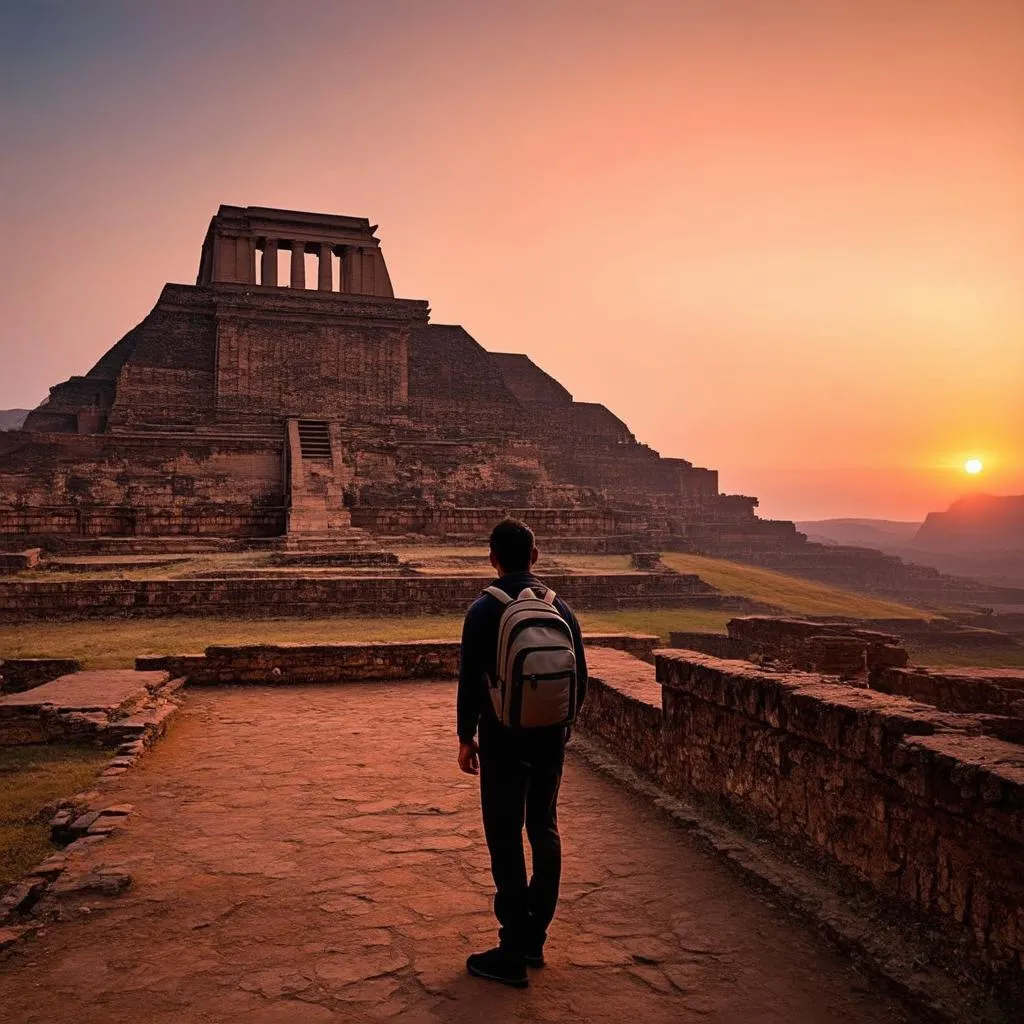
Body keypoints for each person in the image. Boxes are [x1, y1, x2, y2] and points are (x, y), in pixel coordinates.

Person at [457, 518, 588, 987]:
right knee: (544, 830)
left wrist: (465, 736)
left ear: (492, 557)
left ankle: (510, 949)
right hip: (551, 736)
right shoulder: (561, 608)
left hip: (502, 738)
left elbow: (471, 680)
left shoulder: (483, 610)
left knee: (505, 836)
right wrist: (560, 727)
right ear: (535, 556)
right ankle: (534, 937)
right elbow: (582, 680)